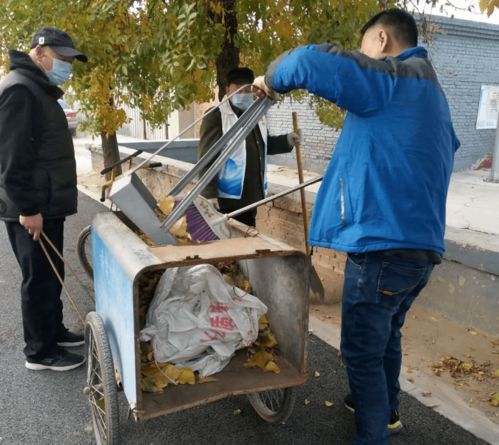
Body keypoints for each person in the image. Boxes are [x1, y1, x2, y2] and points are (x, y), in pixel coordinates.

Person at [254, 9, 459, 445]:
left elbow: (310, 61)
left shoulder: (394, 78)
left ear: (381, 39)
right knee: (387, 335)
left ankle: (373, 434)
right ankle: (387, 411)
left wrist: (270, 80)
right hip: (419, 252)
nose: (364, 54)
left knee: (361, 352)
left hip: (383, 247)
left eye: (365, 44)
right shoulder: (432, 96)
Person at [0, 27, 88, 371]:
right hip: (33, 206)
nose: (67, 65)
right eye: (62, 58)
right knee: (38, 278)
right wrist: (29, 208)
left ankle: (53, 331)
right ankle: (39, 352)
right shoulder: (20, 90)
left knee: (51, 273)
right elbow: (11, 158)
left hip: (47, 202)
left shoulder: (37, 89)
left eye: (70, 60)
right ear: (39, 52)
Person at [197, 67, 299, 227]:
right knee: (230, 242)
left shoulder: (256, 113)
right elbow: (207, 158)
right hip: (227, 198)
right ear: (227, 90)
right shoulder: (216, 116)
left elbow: (263, 144)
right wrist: (208, 194)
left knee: (248, 237)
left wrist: (287, 140)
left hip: (250, 195)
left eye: (247, 89)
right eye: (238, 90)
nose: (243, 95)